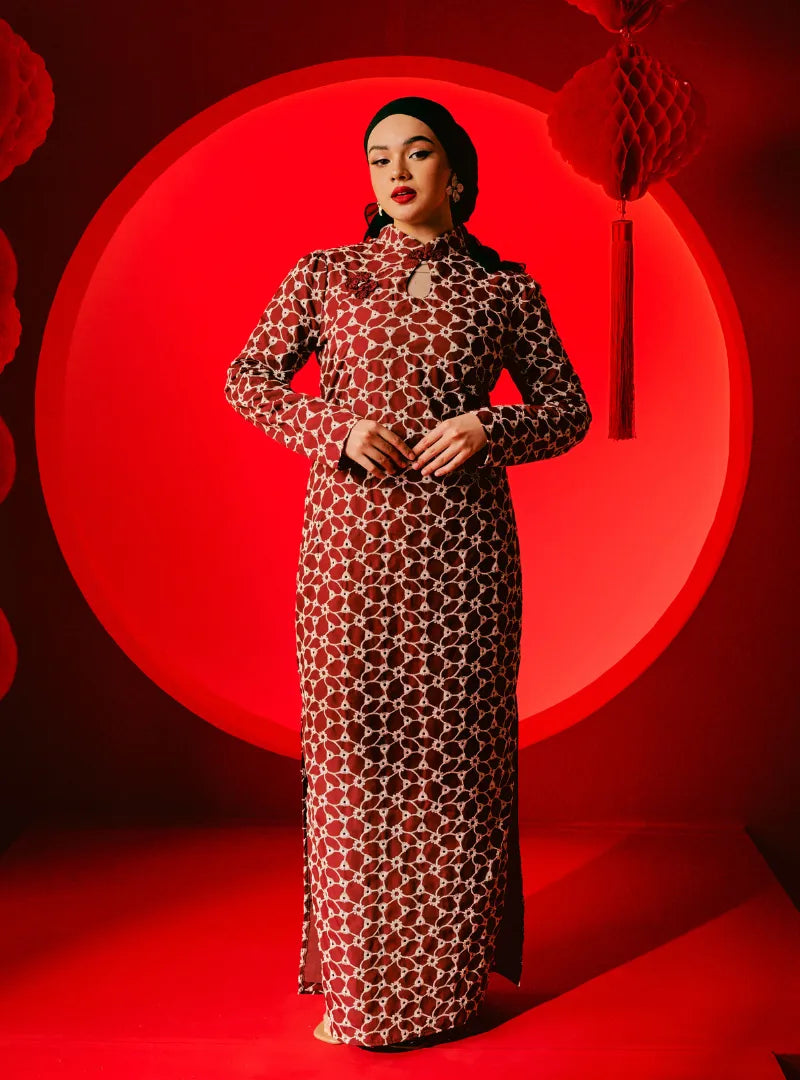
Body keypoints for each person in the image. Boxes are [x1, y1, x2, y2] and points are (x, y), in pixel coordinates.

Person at [224, 95, 592, 1051]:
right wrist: (333, 428)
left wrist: (489, 427)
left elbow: (570, 408)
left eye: (418, 152)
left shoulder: (504, 290)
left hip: (464, 558)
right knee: (352, 763)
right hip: (347, 552)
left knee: (454, 766)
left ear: (456, 173)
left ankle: (442, 991)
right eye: (379, 155)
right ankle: (358, 992)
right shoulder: (325, 275)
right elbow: (247, 378)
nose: (396, 170)